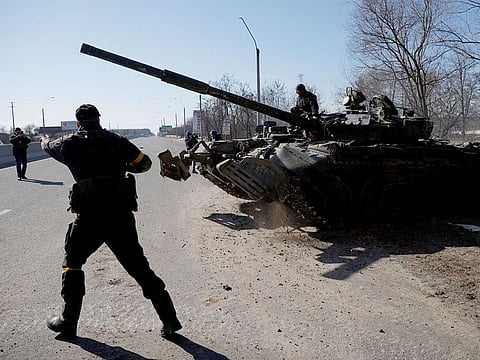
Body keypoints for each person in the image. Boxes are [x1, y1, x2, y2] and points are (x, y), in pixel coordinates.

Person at [41, 104, 182, 339]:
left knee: (73, 263)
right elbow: (144, 163)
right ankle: (170, 320)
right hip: (119, 217)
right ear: (98, 119)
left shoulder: (67, 143)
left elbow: (46, 146)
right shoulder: (117, 141)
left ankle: (68, 322)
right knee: (140, 268)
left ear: (78, 122)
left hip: (88, 219)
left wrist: (45, 138)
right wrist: (123, 166)